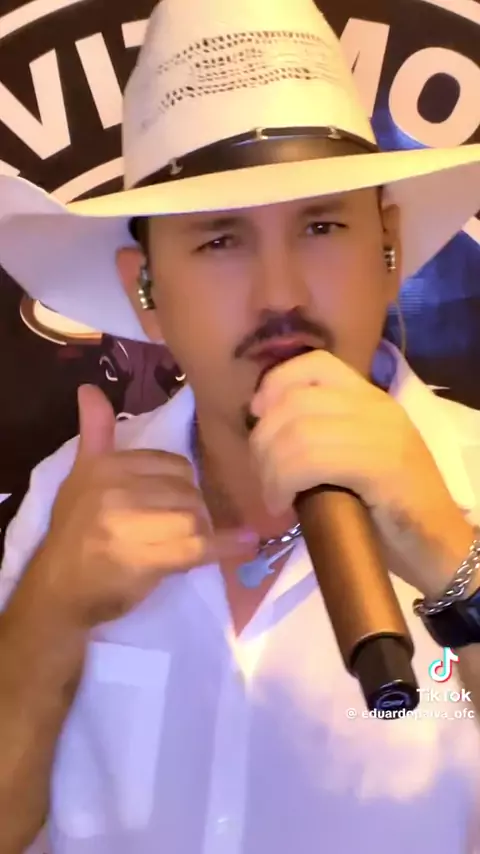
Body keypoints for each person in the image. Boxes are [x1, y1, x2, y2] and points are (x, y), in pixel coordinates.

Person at [0, 0, 480, 851]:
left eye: (322, 225)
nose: (278, 293)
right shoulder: (62, 498)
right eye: (221, 240)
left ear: (389, 249)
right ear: (147, 292)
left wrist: (452, 561)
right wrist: (48, 615)